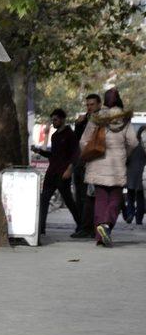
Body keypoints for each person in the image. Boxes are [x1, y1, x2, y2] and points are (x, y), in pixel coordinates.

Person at [80, 88, 138, 247]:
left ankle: (100, 236)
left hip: (97, 163)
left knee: (100, 200)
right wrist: (124, 153)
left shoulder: (97, 117)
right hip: (117, 164)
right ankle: (106, 225)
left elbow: (84, 141)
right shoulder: (125, 120)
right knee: (116, 198)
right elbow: (133, 142)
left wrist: (90, 154)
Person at [32, 108, 81, 235]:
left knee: (69, 201)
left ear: (62, 119)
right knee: (44, 199)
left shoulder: (70, 135)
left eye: (56, 120)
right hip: (51, 172)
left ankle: (81, 225)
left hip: (63, 174)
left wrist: (70, 169)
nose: (53, 122)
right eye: (52, 120)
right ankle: (41, 228)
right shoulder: (54, 136)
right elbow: (53, 155)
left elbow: (75, 154)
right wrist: (40, 151)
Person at [71, 94, 102, 238]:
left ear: (99, 104)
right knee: (80, 197)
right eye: (88, 105)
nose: (90, 107)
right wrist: (78, 125)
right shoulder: (84, 120)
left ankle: (89, 227)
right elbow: (77, 140)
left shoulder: (101, 120)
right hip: (80, 162)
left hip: (93, 163)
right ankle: (83, 226)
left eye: (92, 104)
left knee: (90, 197)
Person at [123, 126, 146, 224]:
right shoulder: (144, 146)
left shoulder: (132, 144)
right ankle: (138, 219)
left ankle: (130, 213)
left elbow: (126, 158)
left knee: (130, 196)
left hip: (131, 173)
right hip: (142, 174)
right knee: (140, 198)